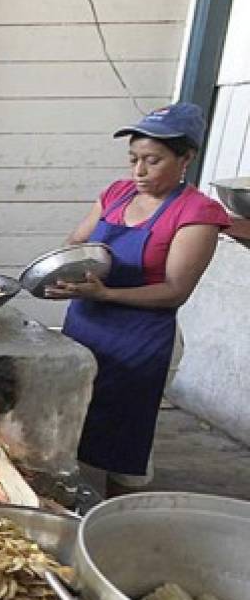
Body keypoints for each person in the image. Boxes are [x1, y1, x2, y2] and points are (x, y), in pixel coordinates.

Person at [46, 103, 231, 496]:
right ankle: (65, 504)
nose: (139, 172)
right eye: (133, 159)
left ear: (186, 158)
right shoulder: (116, 194)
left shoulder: (196, 213)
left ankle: (117, 518)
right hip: (86, 328)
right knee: (72, 420)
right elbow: (76, 244)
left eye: (153, 160)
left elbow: (175, 290)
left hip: (141, 341)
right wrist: (62, 274)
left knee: (125, 437)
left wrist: (106, 292)